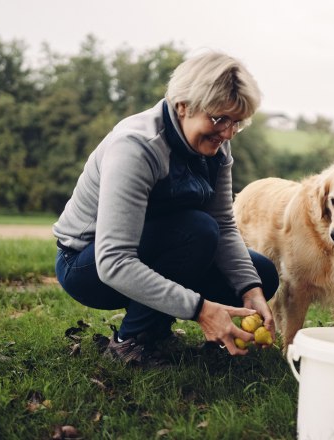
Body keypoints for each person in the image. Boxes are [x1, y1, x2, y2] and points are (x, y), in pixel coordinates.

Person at [52, 51, 278, 365]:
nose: (227, 133)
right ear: (183, 106)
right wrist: (200, 310)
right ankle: (130, 342)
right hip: (86, 265)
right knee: (197, 230)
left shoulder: (215, 145)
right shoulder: (136, 148)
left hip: (157, 247)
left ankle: (157, 327)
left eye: (237, 122)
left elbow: (224, 224)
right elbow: (113, 261)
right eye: (218, 119)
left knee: (261, 273)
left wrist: (250, 290)